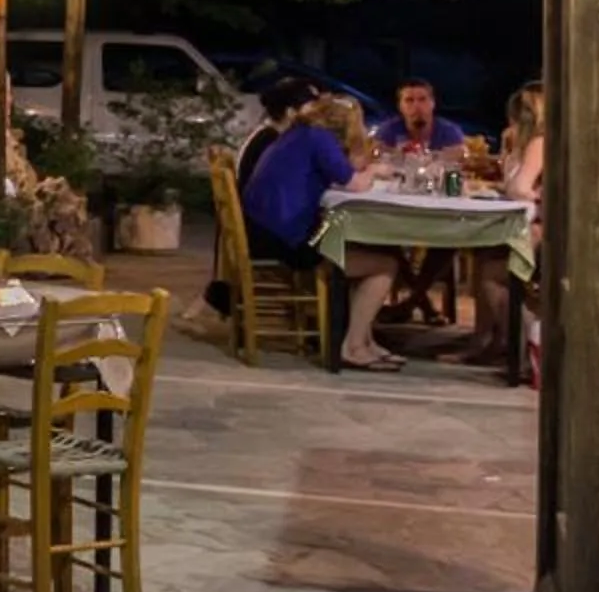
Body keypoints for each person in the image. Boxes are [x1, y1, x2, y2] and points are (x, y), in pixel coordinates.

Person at [242, 94, 401, 370]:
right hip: (289, 241)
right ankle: (352, 347)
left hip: (267, 232)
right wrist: (377, 169)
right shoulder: (319, 138)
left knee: (376, 249)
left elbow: (343, 171)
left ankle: (364, 341)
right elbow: (355, 183)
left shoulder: (299, 134)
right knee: (385, 263)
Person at [182, 75, 320, 336]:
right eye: (312, 106)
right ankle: (330, 326)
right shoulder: (274, 142)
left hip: (255, 228)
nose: (319, 114)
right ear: (291, 112)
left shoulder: (271, 136)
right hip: (266, 233)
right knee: (332, 244)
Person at [461, 83, 545, 368]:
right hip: (535, 225)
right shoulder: (534, 142)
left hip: (550, 233)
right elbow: (515, 185)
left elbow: (520, 188)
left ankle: (519, 353)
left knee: (493, 273)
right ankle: (490, 342)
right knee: (483, 255)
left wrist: (530, 193)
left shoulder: (540, 142)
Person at [372, 78, 468, 153]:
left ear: (433, 103)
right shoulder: (387, 132)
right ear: (400, 106)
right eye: (409, 100)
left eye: (422, 99)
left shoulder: (450, 133)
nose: (416, 106)